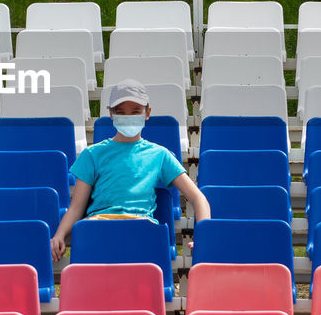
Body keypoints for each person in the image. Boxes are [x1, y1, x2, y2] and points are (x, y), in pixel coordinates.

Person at [50, 80, 210, 260]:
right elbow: (76, 206)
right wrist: (59, 235)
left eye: (135, 112)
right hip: (100, 226)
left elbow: (198, 197)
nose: (128, 117)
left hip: (140, 227)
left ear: (147, 113)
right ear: (111, 114)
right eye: (120, 112)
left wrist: (204, 237)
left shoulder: (159, 155)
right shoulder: (92, 154)